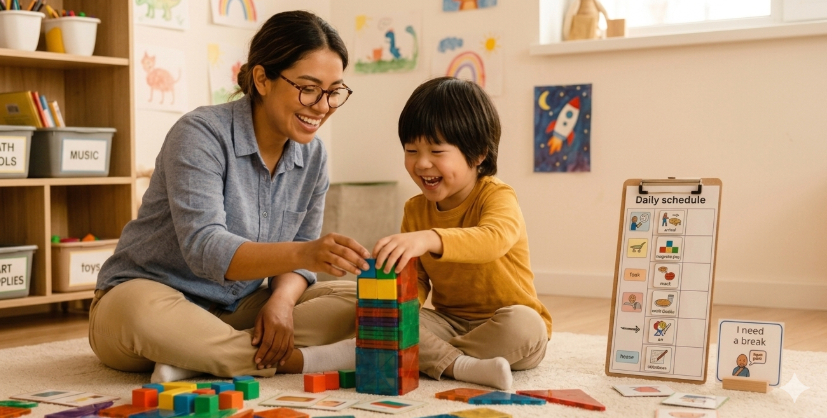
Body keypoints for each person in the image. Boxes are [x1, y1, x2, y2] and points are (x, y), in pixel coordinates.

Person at [89, 10, 369, 382]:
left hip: (238, 308)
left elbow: (298, 258)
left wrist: (281, 304)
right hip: (149, 295)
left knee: (362, 302)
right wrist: (307, 252)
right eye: (308, 88)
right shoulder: (200, 134)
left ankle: (198, 356)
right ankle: (290, 359)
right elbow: (206, 247)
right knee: (137, 313)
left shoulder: (313, 157)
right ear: (262, 79)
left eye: (334, 92)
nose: (322, 106)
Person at [371, 77, 552, 390]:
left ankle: (429, 357)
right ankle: (461, 365)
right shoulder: (415, 209)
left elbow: (492, 239)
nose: (422, 163)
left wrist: (429, 238)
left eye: (437, 151)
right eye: (411, 150)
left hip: (505, 322)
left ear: (479, 153)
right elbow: (419, 281)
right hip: (448, 322)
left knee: (527, 327)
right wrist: (400, 309)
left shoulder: (497, 196)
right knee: (380, 319)